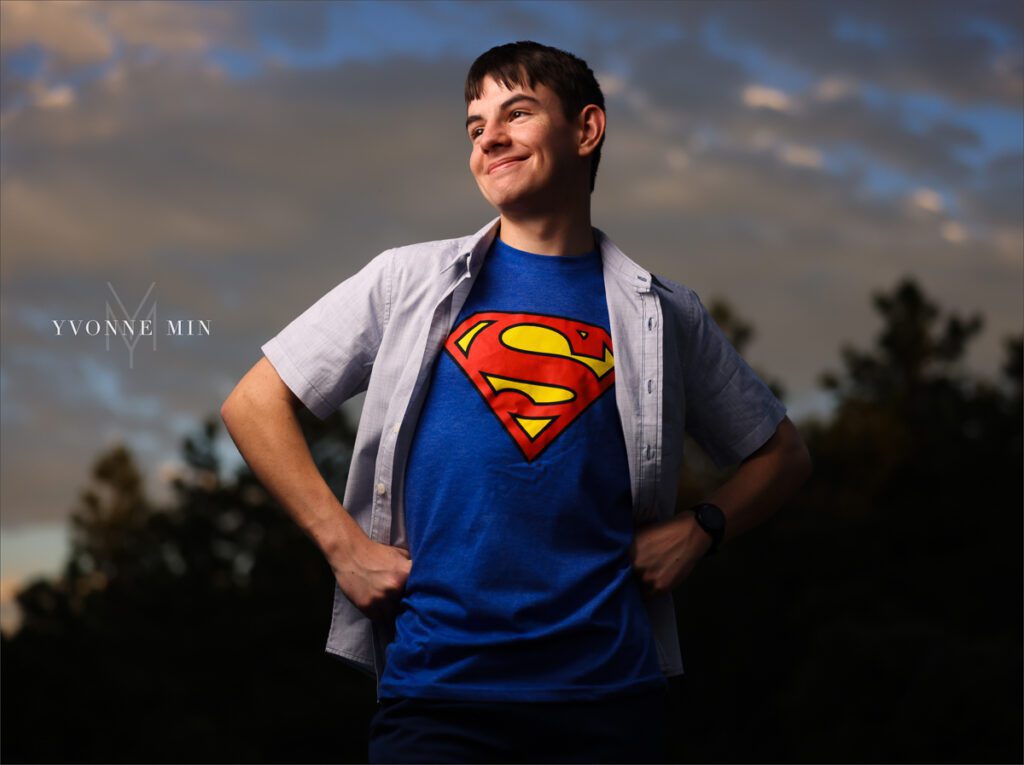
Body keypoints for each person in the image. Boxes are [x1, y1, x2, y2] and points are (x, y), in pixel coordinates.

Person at [221, 40, 812, 764]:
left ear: (587, 130)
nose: (489, 137)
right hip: (437, 698)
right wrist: (344, 547)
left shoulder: (663, 312)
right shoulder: (404, 281)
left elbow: (784, 456)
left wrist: (702, 527)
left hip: (609, 702)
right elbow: (254, 404)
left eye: (517, 112)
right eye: (475, 126)